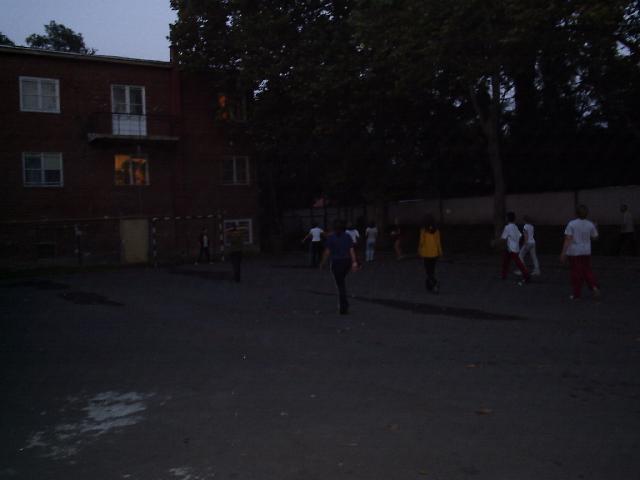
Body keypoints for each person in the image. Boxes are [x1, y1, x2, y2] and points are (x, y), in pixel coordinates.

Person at [560, 204, 600, 300]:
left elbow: (568, 239)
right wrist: (595, 227)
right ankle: (594, 286)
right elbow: (595, 237)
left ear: (576, 213)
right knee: (587, 270)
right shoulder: (590, 224)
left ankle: (576, 293)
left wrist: (563, 253)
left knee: (576, 273)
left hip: (574, 252)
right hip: (586, 251)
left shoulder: (572, 224)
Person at [320, 219, 358, 314]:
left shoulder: (331, 238)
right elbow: (351, 250)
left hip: (336, 262)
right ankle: (344, 305)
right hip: (346, 262)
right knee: (341, 282)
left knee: (340, 285)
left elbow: (327, 252)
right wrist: (354, 262)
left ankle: (343, 306)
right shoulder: (347, 237)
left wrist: (323, 263)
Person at [500, 212, 530, 283]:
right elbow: (520, 236)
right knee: (506, 261)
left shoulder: (507, 227)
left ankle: (526, 275)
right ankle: (503, 275)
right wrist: (516, 242)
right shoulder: (515, 227)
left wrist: (495, 242)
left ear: (507, 219)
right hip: (514, 247)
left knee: (517, 263)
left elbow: (503, 238)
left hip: (511, 248)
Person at [417, 215, 443, 293]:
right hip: (434, 253)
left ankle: (434, 284)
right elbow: (438, 242)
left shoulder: (423, 230)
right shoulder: (436, 231)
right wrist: (440, 252)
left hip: (426, 253)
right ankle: (429, 285)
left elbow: (421, 242)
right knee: (432, 270)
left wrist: (419, 250)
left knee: (428, 271)